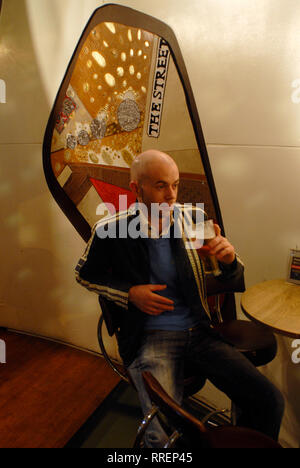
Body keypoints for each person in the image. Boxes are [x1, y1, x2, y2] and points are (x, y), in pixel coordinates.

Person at [76, 149, 284, 447]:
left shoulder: (192, 218)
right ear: (136, 188)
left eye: (175, 184)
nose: (171, 194)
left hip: (199, 331)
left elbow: (228, 276)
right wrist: (129, 294)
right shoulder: (111, 229)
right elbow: (84, 275)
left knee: (269, 401)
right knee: (161, 435)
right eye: (161, 185)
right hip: (150, 336)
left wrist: (228, 260)